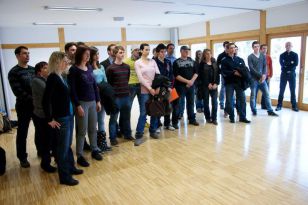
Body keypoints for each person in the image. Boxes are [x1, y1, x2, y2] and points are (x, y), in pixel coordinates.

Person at [43, 51, 83, 186]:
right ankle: (64, 177)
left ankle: (71, 167)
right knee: (62, 148)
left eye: (67, 61)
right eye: (65, 61)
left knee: (67, 145)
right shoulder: (53, 77)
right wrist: (49, 119)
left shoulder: (61, 76)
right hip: (61, 117)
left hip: (68, 115)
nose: (67, 63)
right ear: (57, 62)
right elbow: (45, 100)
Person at [68, 46, 102, 167]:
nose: (88, 56)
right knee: (82, 130)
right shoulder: (73, 70)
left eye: (89, 54)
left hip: (93, 102)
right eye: (86, 54)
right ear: (80, 55)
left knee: (93, 128)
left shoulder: (89, 68)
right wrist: (77, 105)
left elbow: (94, 86)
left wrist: (98, 101)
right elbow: (72, 90)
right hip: (82, 103)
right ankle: (80, 155)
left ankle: (95, 149)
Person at [8, 46, 35, 168]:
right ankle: (22, 157)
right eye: (24, 53)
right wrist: (34, 99)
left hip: (37, 107)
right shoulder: (13, 72)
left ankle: (42, 150)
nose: (27, 55)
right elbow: (18, 91)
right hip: (24, 106)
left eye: (28, 53)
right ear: (18, 56)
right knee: (22, 132)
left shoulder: (33, 70)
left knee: (41, 129)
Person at [32, 61, 57, 173]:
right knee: (46, 140)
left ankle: (48, 160)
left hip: (47, 114)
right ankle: (45, 164)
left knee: (49, 139)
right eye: (45, 68)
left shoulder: (45, 80)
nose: (48, 69)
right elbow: (49, 94)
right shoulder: (37, 81)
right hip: (42, 115)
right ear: (39, 71)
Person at [134, 43, 161, 146]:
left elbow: (158, 74)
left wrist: (157, 87)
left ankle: (153, 130)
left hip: (155, 90)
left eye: (149, 50)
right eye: (146, 49)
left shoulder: (153, 61)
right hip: (145, 91)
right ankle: (139, 135)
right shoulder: (138, 62)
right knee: (143, 112)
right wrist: (150, 89)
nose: (148, 51)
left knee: (154, 110)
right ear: (141, 51)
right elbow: (141, 79)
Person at [106, 46, 133, 146]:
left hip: (126, 96)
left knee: (126, 117)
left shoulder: (126, 67)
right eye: (120, 52)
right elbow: (109, 83)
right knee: (113, 119)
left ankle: (127, 134)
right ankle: (112, 138)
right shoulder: (110, 68)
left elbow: (127, 79)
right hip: (116, 98)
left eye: (123, 52)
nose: (122, 54)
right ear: (115, 54)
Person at [221, 43, 250, 123]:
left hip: (239, 83)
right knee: (229, 101)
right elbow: (224, 72)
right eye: (231, 48)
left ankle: (242, 117)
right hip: (229, 83)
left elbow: (244, 69)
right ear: (227, 50)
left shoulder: (240, 59)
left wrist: (239, 72)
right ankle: (232, 117)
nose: (233, 49)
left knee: (242, 100)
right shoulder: (224, 61)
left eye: (234, 48)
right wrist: (234, 72)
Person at [89, 46, 111, 152]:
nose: (98, 56)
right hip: (92, 98)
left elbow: (105, 80)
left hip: (102, 96)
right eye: (95, 54)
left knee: (101, 120)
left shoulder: (101, 66)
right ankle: (94, 145)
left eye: (98, 54)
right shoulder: (88, 67)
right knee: (93, 123)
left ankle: (103, 143)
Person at [248, 41, 278, 116]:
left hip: (263, 80)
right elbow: (251, 69)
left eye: (258, 46)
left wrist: (264, 75)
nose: (257, 48)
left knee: (267, 94)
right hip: (254, 79)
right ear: (253, 48)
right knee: (253, 96)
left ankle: (270, 110)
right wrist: (261, 75)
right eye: (255, 46)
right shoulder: (250, 57)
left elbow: (265, 66)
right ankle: (254, 110)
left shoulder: (263, 56)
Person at [172, 46, 199, 128]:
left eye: (188, 50)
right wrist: (187, 81)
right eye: (185, 50)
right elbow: (176, 75)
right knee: (178, 104)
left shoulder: (192, 61)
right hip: (180, 86)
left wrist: (191, 81)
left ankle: (192, 119)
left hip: (191, 86)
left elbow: (196, 72)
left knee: (191, 103)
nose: (187, 52)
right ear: (181, 51)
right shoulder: (176, 62)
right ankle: (175, 122)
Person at [154, 43, 175, 131]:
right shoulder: (154, 62)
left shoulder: (168, 61)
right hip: (159, 87)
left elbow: (171, 75)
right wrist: (160, 86)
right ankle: (158, 125)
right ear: (158, 53)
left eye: (165, 52)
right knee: (159, 106)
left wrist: (170, 86)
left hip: (169, 86)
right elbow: (156, 76)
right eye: (162, 52)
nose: (164, 53)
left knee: (169, 105)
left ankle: (167, 124)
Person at [198, 49, 220, 125]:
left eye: (210, 53)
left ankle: (214, 118)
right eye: (207, 54)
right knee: (206, 103)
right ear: (204, 55)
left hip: (214, 85)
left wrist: (216, 84)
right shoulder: (201, 64)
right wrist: (207, 84)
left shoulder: (214, 62)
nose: (208, 55)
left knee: (214, 102)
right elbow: (200, 77)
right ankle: (207, 118)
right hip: (205, 86)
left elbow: (217, 74)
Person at [276, 42, 299, 112]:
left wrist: (287, 63)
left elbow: (296, 64)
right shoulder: (282, 55)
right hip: (284, 74)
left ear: (292, 46)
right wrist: (290, 62)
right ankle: (279, 105)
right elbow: (282, 64)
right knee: (281, 90)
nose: (288, 47)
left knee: (292, 90)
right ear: (285, 46)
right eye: (287, 45)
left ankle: (294, 106)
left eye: (289, 45)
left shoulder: (295, 55)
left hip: (292, 74)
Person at [260, 44, 273, 109]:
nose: (265, 50)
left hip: (267, 76)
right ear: (261, 49)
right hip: (259, 76)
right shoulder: (258, 56)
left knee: (266, 91)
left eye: (266, 48)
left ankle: (264, 105)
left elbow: (270, 67)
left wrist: (270, 76)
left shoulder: (268, 57)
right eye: (263, 48)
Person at [217, 41, 229, 110]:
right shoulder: (221, 55)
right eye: (226, 46)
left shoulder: (232, 54)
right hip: (223, 74)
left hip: (231, 75)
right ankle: (221, 103)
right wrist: (220, 72)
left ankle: (231, 103)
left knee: (231, 88)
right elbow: (218, 65)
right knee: (223, 88)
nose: (228, 47)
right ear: (224, 47)